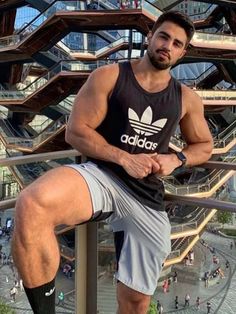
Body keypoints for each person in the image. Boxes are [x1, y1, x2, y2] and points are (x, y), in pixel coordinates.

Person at [11, 10, 213, 314]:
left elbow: (205, 146)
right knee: (31, 204)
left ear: (182, 52)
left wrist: (177, 158)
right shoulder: (110, 76)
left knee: (136, 304)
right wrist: (124, 158)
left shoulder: (186, 98)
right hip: (101, 176)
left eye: (176, 43)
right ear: (150, 36)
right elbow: (76, 133)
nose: (167, 45)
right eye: (163, 36)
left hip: (146, 195)